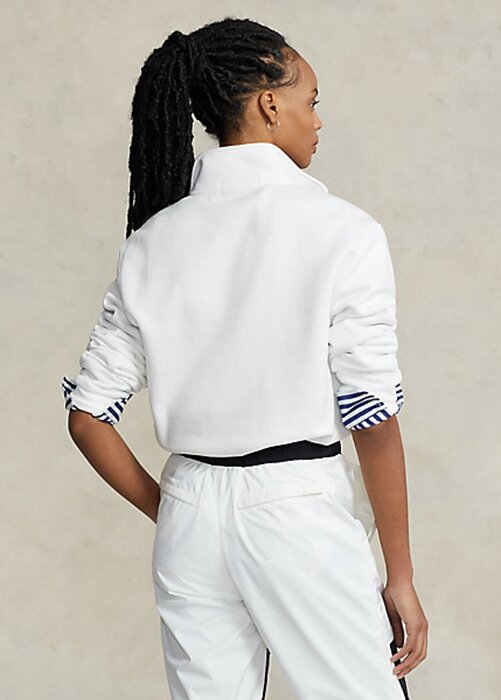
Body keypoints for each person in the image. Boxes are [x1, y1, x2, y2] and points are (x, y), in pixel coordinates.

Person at [62, 16, 428, 700]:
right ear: (269, 103)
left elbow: (87, 418)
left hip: (189, 515)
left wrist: (176, 512)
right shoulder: (343, 233)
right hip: (297, 513)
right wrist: (400, 575)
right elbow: (372, 417)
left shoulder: (151, 242)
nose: (317, 119)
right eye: (310, 100)